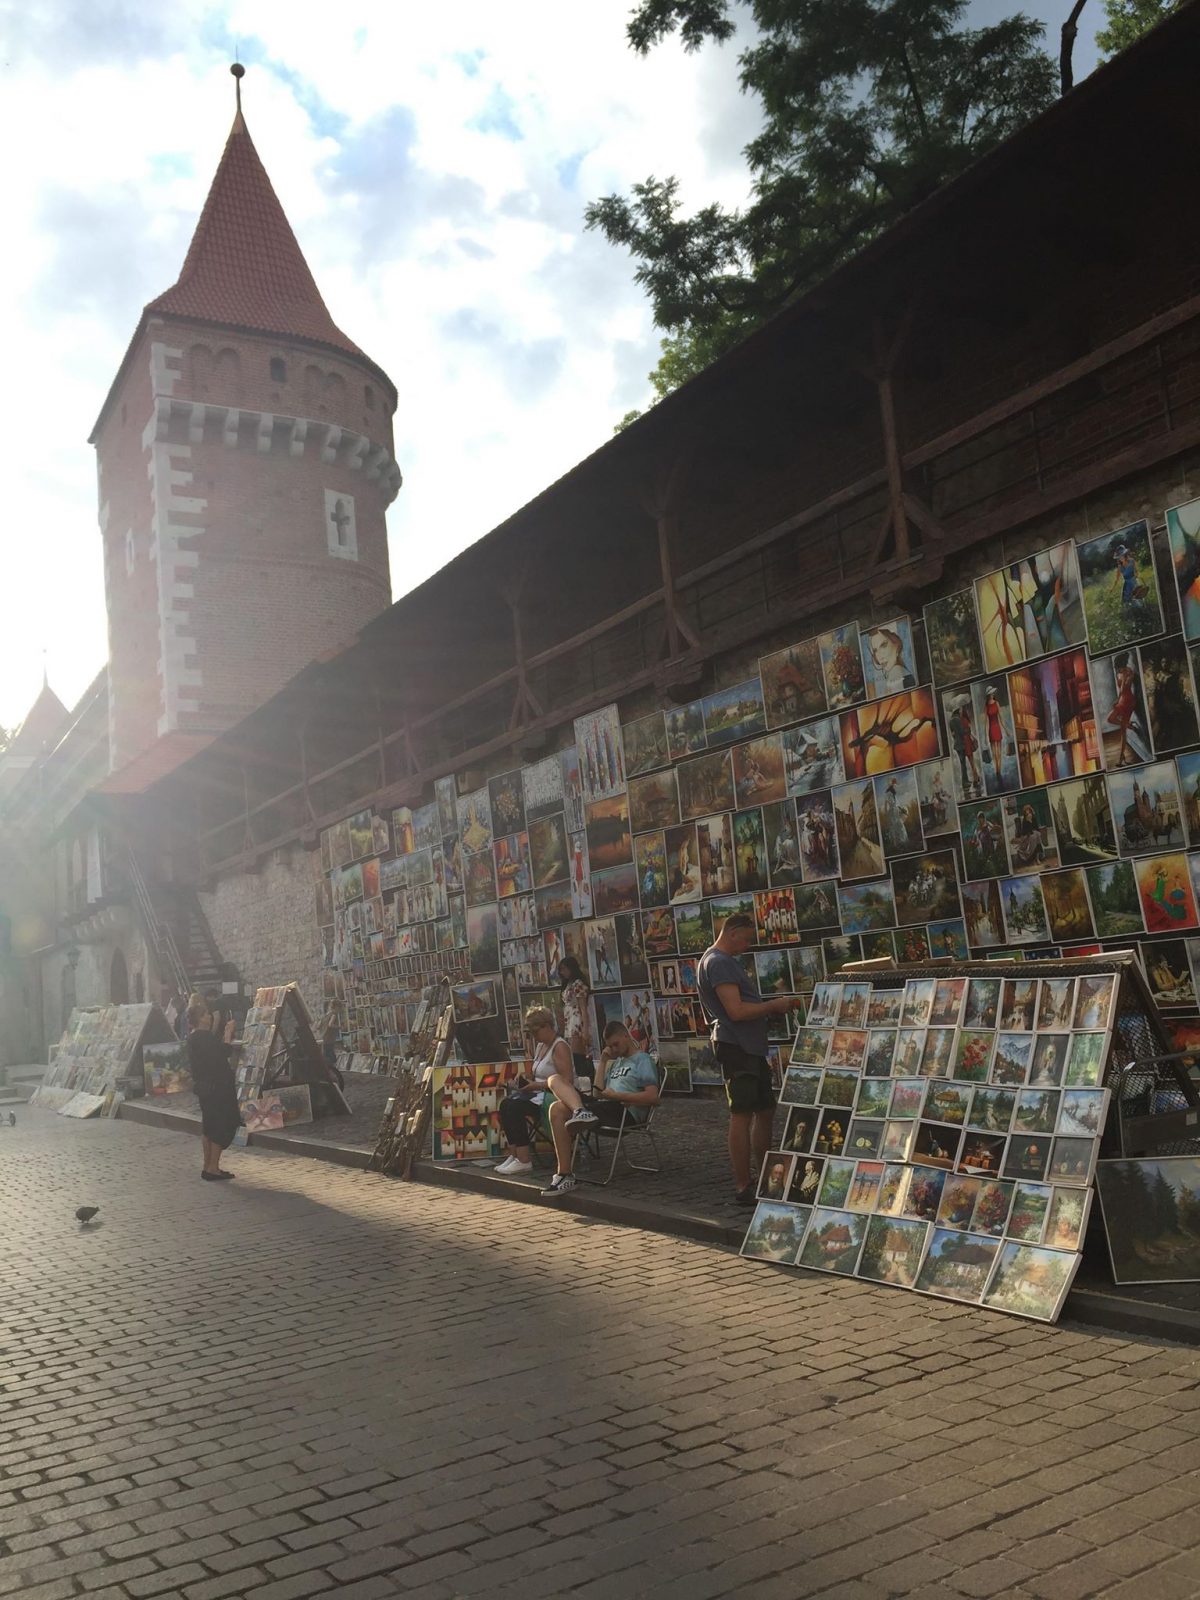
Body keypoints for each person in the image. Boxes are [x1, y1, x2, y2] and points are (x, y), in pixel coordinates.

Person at [697, 912, 802, 1205]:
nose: (746, 946)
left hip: (749, 1047)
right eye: (744, 940)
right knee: (742, 1114)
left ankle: (764, 1174)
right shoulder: (718, 962)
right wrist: (773, 1006)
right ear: (732, 933)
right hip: (737, 1046)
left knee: (765, 1109)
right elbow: (737, 1012)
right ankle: (744, 1185)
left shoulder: (720, 960)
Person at [542, 1021, 660, 1198]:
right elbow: (597, 1093)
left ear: (625, 1036)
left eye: (616, 1044)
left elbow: (653, 1098)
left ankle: (565, 1172)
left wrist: (619, 1097)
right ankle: (565, 1175)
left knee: (558, 1107)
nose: (614, 1049)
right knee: (554, 1084)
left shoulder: (642, 1060)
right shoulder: (616, 1062)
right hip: (605, 1105)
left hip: (623, 1112)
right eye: (610, 1046)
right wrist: (604, 1061)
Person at [494, 1006, 574, 1177]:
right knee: (506, 1104)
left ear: (546, 1026)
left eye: (535, 1032)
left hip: (552, 1096)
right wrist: (523, 1078)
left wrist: (535, 1086)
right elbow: (536, 1072)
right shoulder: (540, 1046)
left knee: (515, 1107)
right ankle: (515, 1154)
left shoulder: (559, 1047)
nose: (534, 1036)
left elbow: (566, 1080)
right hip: (535, 1092)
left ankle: (524, 1159)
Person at [185, 998, 240, 1181]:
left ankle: (208, 1166)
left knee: (209, 1126)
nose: (210, 1016)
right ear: (201, 1019)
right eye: (206, 1014)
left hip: (205, 1087)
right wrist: (228, 1034)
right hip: (218, 1087)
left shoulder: (193, 1037)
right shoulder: (204, 1037)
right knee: (221, 1124)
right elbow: (221, 1054)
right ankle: (213, 1167)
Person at [557, 956, 594, 1088]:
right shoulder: (568, 984)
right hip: (569, 1021)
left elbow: (583, 1007)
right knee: (572, 1056)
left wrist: (585, 1029)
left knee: (578, 1055)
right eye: (561, 970)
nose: (562, 972)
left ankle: (586, 1082)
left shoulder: (578, 983)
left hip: (577, 1020)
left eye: (564, 969)